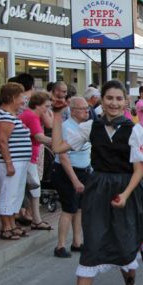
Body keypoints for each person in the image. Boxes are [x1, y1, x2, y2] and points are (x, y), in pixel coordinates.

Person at [51, 79, 143, 285]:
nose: (114, 103)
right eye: (109, 98)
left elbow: (140, 169)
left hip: (126, 188)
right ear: (102, 101)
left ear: (125, 102)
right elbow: (58, 147)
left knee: (125, 244)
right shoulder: (89, 126)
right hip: (98, 190)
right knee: (92, 244)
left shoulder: (136, 130)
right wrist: (58, 116)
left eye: (118, 99)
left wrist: (126, 195)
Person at [0, 83, 32, 240]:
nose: (24, 99)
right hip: (10, 161)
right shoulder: (3, 116)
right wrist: (8, 163)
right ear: (13, 97)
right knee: (8, 192)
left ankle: (12, 224)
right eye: (21, 96)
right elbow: (2, 141)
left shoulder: (10, 114)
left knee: (15, 193)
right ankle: (6, 227)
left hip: (18, 160)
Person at [52, 96, 91, 258]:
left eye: (87, 108)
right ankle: (60, 246)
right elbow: (63, 156)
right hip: (67, 172)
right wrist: (74, 180)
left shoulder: (84, 126)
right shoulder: (67, 127)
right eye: (83, 108)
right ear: (73, 111)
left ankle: (77, 241)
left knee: (80, 208)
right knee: (69, 209)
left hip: (83, 170)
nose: (86, 111)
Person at [19, 91, 53, 231]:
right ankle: (36, 219)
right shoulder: (32, 116)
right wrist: (60, 142)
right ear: (37, 105)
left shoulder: (28, 114)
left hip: (26, 156)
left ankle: (27, 215)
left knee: (26, 187)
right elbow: (39, 137)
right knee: (35, 187)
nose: (47, 109)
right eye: (46, 106)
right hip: (27, 157)